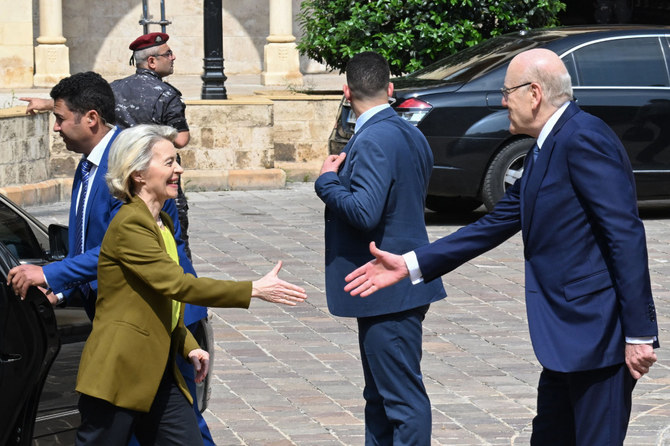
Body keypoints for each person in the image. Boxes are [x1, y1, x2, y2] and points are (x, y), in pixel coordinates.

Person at [344, 48, 659, 445]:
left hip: (597, 338)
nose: (502, 100)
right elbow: (494, 223)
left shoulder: (584, 138)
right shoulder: (549, 143)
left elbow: (624, 235)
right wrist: (410, 264)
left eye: (507, 91)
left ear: (534, 93)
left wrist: (639, 333)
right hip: (566, 340)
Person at [75, 124, 307, 445]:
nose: (179, 169)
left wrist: (187, 344)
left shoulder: (163, 223)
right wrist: (252, 289)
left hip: (160, 374)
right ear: (138, 174)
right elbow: (178, 286)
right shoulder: (129, 225)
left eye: (177, 161)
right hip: (120, 376)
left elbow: (161, 302)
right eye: (169, 162)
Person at [314, 51, 446, 445]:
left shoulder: (373, 138)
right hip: (399, 281)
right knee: (380, 397)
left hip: (387, 287)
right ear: (389, 89)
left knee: (400, 401)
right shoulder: (410, 132)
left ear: (345, 92)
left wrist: (327, 181)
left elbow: (364, 211)